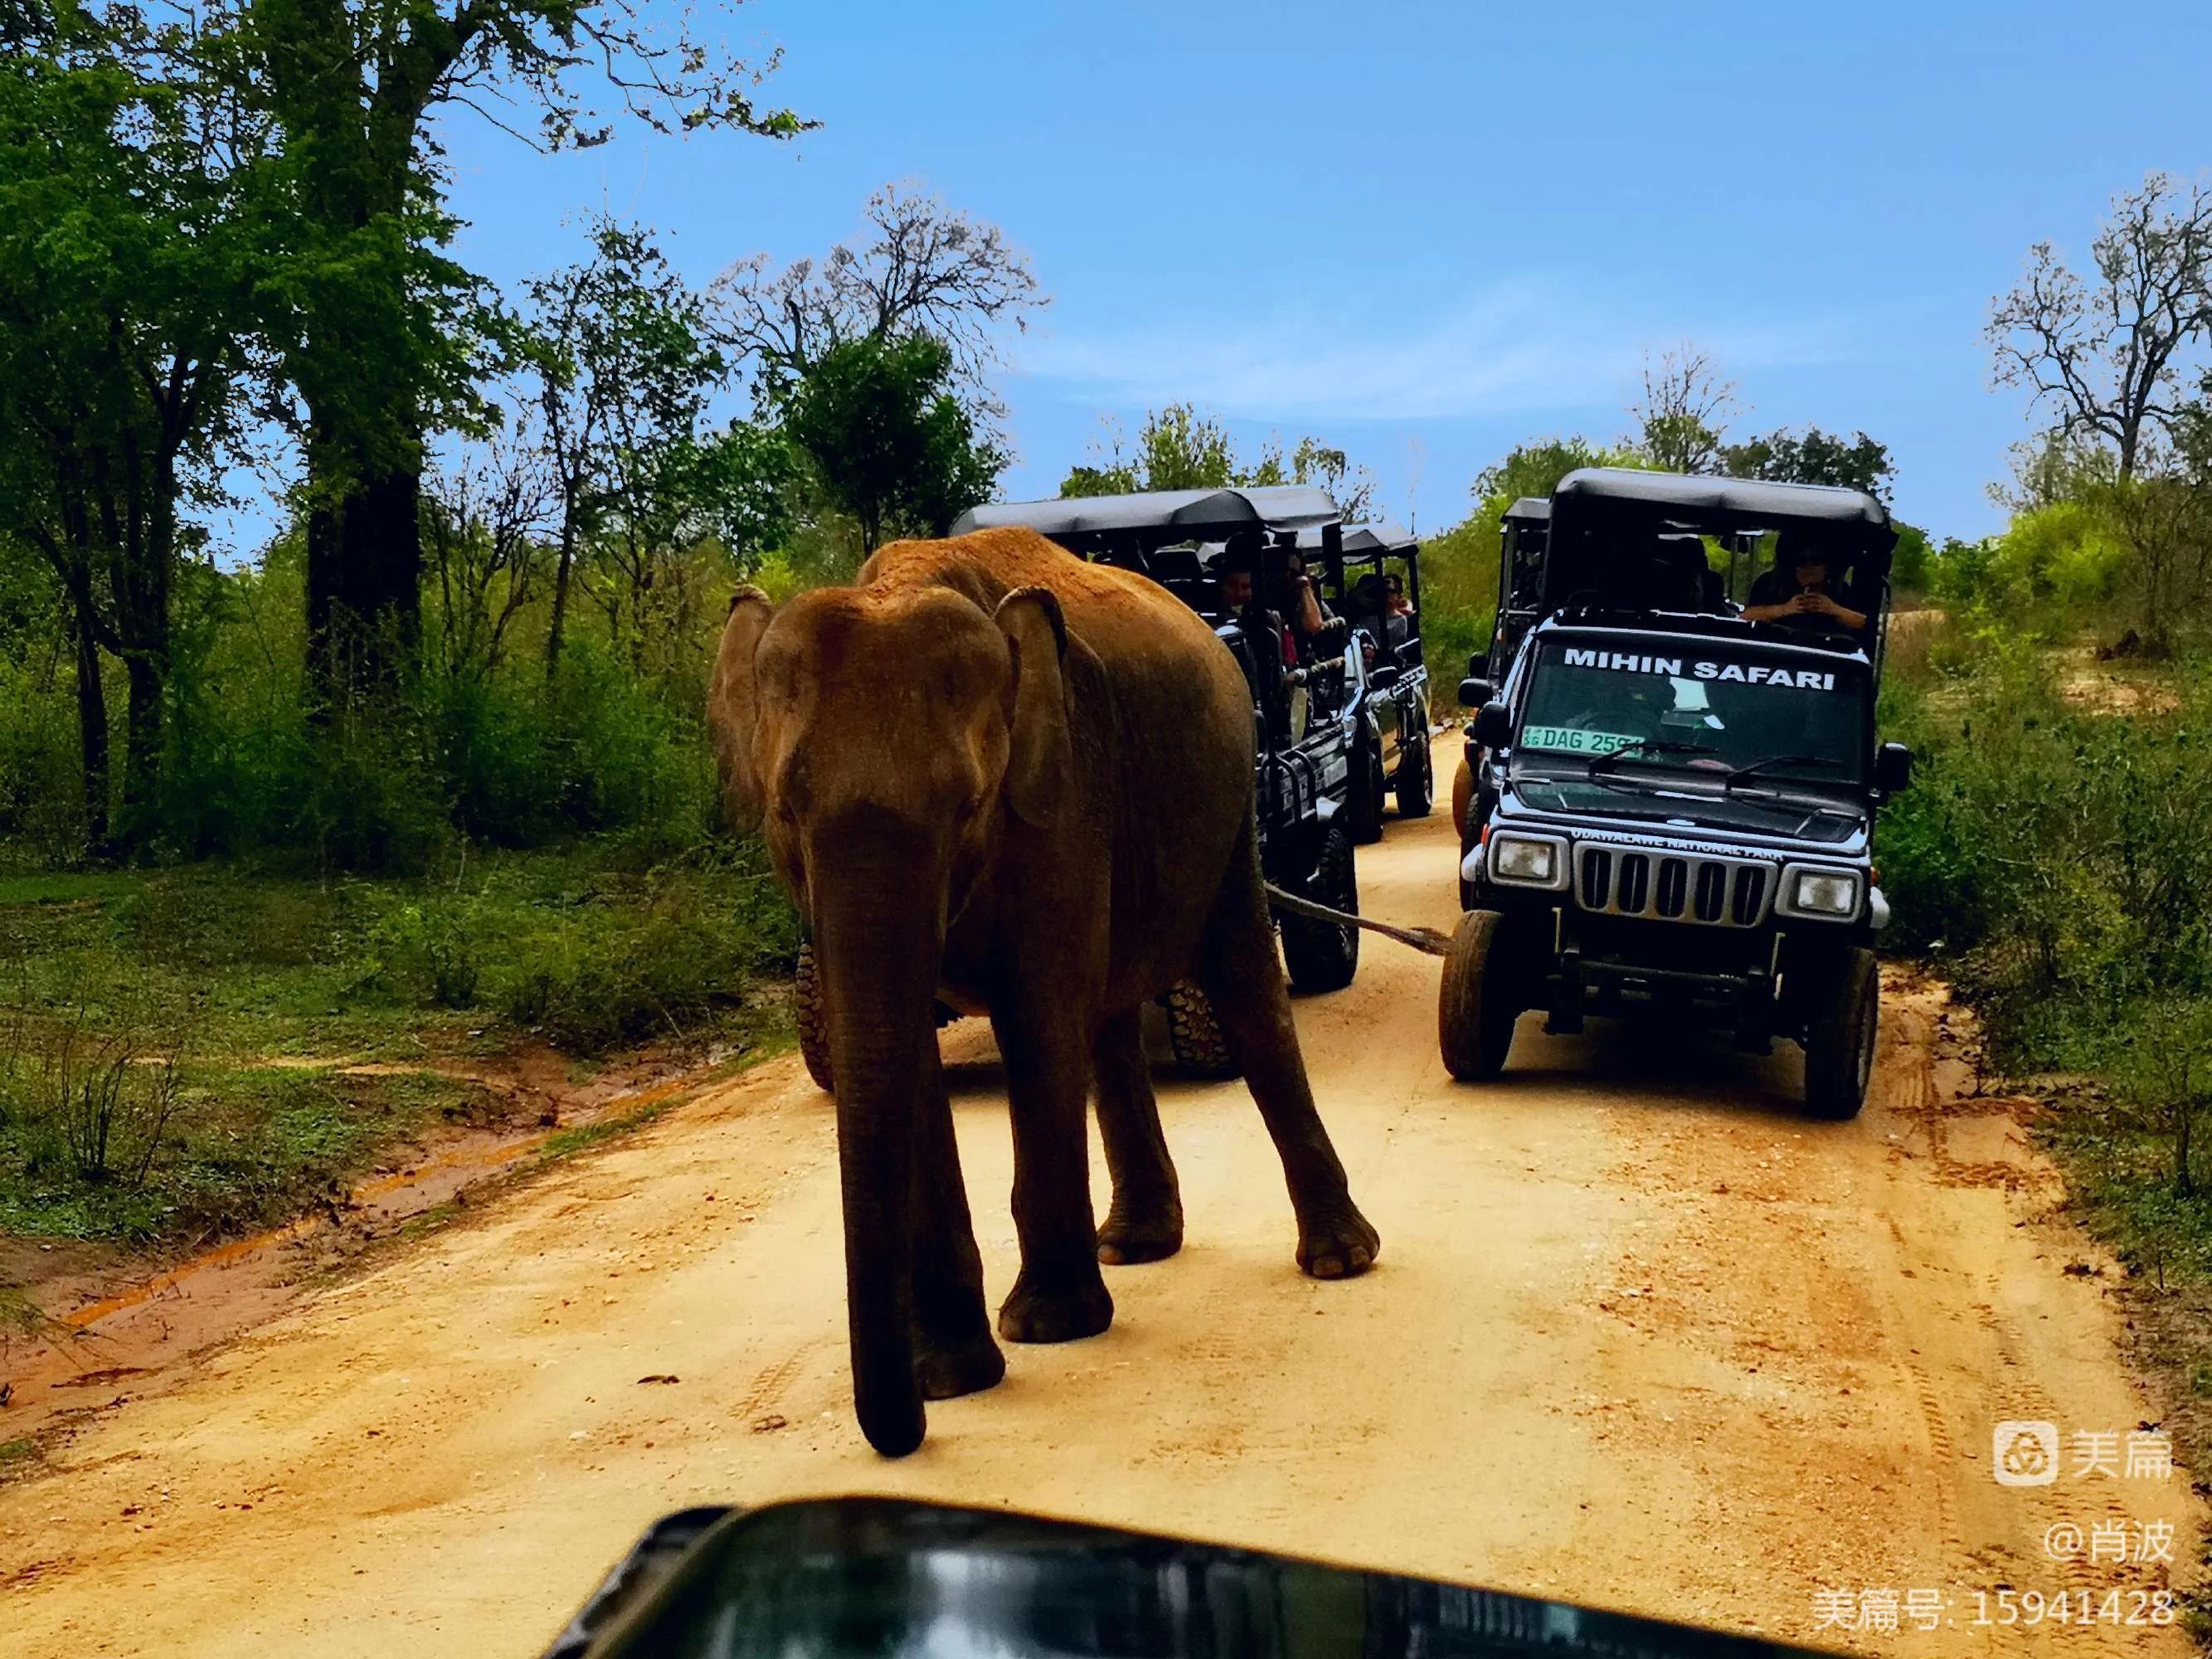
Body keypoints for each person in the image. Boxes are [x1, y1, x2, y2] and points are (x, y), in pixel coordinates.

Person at [1742, 538, 1867, 634]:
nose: (1809, 568)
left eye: (1817, 561)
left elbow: (1865, 624)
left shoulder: (1842, 591)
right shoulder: (1770, 584)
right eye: (1800, 561)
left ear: (1827, 565)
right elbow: (1745, 617)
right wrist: (1784, 610)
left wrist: (1833, 609)